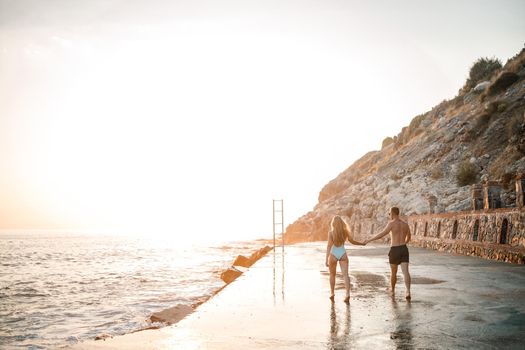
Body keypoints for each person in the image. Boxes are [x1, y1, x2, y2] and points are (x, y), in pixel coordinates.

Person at [365, 207, 412, 300]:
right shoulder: (405, 225)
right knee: (405, 272)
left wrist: (369, 240)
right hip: (403, 249)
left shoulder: (391, 224)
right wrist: (404, 243)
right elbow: (409, 237)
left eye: (389, 213)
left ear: (393, 213)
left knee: (393, 272)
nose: (389, 215)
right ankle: (408, 291)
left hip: (394, 249)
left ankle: (393, 290)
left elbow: (382, 234)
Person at [325, 215, 365, 303]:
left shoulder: (331, 233)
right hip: (342, 253)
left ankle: (332, 293)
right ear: (341, 223)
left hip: (333, 254)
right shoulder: (345, 232)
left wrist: (326, 258)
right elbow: (352, 241)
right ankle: (347, 294)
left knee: (332, 275)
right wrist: (362, 244)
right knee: (345, 275)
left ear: (333, 223)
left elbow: (329, 246)